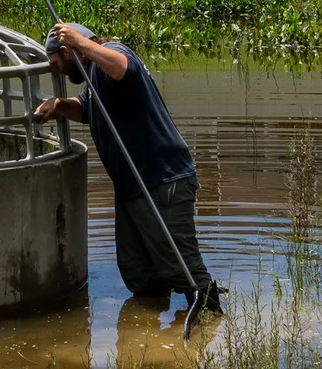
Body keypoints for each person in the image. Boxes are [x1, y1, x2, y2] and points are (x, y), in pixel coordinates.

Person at [34, 22, 223, 315]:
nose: (56, 69)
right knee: (137, 271)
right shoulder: (95, 76)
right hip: (132, 185)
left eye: (56, 62)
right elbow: (86, 108)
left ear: (67, 51)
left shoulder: (113, 52)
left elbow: (123, 68)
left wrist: (80, 42)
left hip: (161, 179)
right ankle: (149, 342)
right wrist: (58, 105)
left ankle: (209, 319)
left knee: (182, 267)